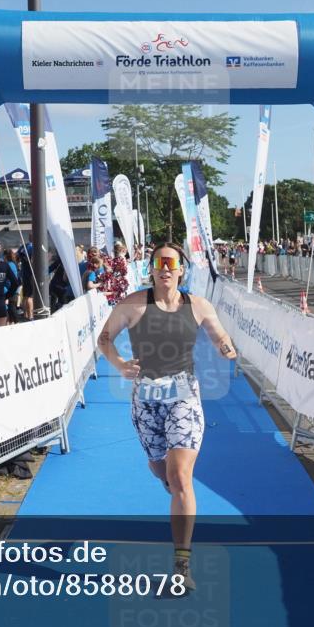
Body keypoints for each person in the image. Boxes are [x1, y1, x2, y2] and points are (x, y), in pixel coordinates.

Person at [97, 243, 237, 591]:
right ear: (151, 269)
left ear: (181, 270)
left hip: (184, 396)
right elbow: (104, 339)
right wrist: (119, 363)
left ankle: (181, 564)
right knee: (161, 468)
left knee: (181, 476)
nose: (164, 269)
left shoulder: (198, 306)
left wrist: (225, 347)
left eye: (170, 263)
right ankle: (167, 479)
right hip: (146, 400)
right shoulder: (132, 304)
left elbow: (219, 333)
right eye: (158, 263)